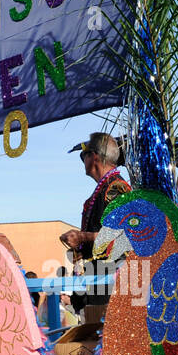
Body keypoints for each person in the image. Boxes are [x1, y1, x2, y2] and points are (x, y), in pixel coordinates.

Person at [59, 132, 132, 322]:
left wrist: (82, 237)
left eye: (84, 155)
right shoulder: (106, 187)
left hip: (111, 282)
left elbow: (120, 235)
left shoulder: (117, 187)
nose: (82, 159)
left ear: (95, 158)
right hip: (98, 280)